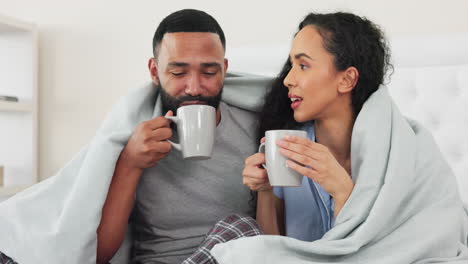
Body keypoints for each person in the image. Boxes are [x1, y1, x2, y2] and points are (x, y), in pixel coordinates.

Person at [96, 9, 258, 264]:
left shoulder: (255, 130)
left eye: (209, 72)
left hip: (234, 257)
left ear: (225, 69)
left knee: (242, 227)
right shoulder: (131, 134)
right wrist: (129, 163)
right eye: (178, 73)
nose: (194, 87)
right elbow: (97, 253)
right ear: (154, 71)